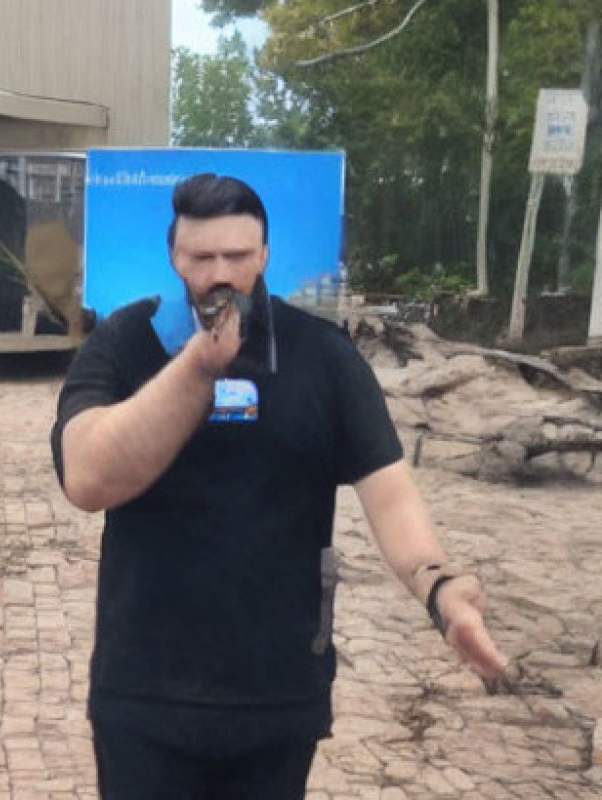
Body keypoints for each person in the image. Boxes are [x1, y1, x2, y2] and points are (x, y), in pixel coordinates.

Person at [50, 173, 508, 799]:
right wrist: (197, 368)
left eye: (237, 256)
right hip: (145, 694)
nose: (219, 274)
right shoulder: (126, 341)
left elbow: (390, 489)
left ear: (264, 255)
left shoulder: (322, 353)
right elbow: (88, 477)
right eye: (201, 257)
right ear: (173, 256)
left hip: (278, 696)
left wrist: (439, 589)